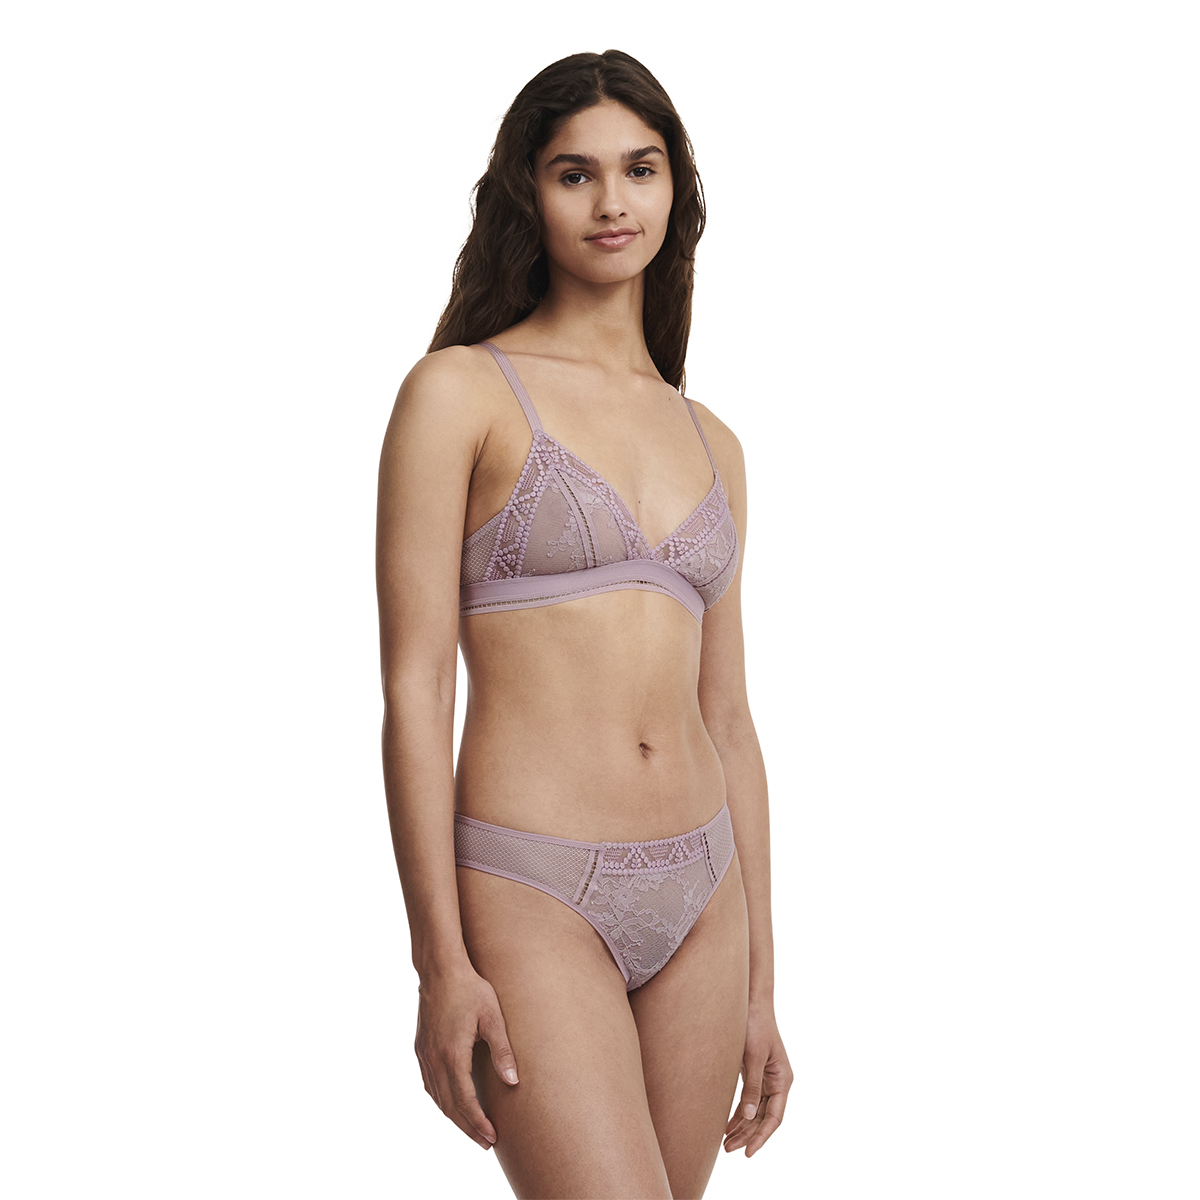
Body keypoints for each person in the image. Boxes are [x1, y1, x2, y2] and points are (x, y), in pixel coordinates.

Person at [376, 49, 792, 1199]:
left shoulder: (714, 442)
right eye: (576, 174)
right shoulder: (458, 394)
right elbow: (416, 689)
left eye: (640, 170)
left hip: (705, 896)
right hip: (533, 886)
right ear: (530, 193)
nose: (613, 202)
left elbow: (729, 718)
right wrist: (438, 960)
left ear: (674, 192)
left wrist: (763, 983)